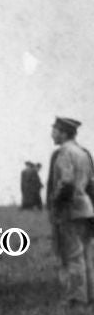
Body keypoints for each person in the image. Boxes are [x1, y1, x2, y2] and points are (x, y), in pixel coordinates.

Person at [46, 117, 94, 305]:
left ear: (64, 133)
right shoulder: (84, 153)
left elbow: (66, 182)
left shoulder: (64, 152)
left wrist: (55, 201)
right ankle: (89, 294)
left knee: (71, 255)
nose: (52, 134)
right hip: (87, 209)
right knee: (85, 254)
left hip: (70, 210)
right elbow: (91, 183)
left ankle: (76, 298)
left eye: (55, 130)